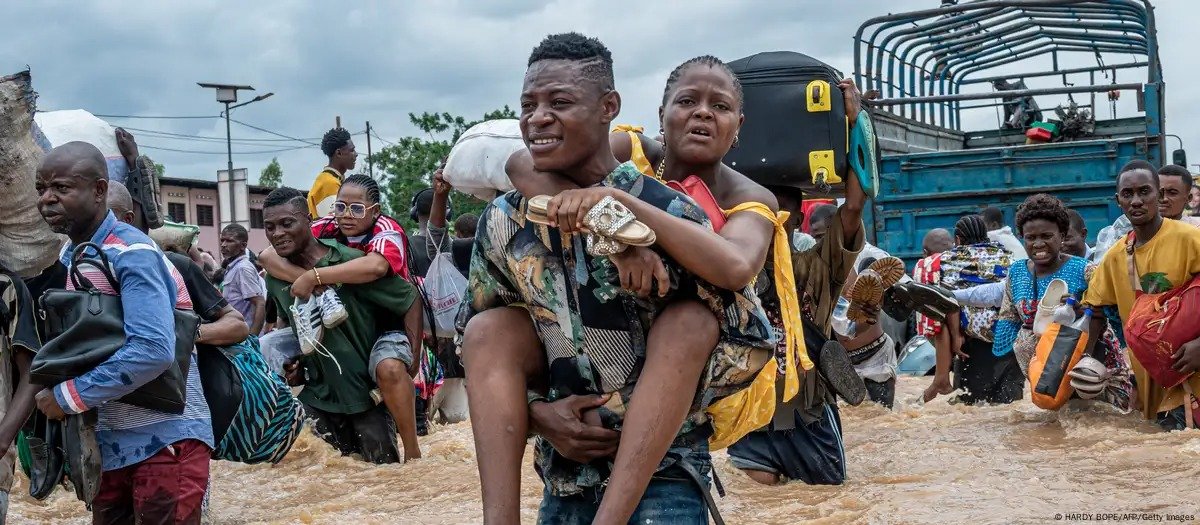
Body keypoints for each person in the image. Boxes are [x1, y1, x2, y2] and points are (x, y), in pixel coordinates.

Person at [465, 34, 766, 524]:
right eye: (529, 105)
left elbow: (745, 335)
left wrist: (623, 212)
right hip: (565, 474)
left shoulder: (675, 213)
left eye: (559, 103)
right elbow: (474, 348)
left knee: (691, 321)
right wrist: (538, 412)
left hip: (663, 477)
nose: (538, 118)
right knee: (488, 328)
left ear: (609, 108)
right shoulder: (506, 218)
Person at [33, 142, 213, 523]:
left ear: (99, 190)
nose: (47, 199)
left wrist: (68, 397)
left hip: (165, 441)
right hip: (112, 442)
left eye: (61, 188)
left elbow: (152, 350)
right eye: (41, 189)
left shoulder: (133, 252)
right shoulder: (70, 258)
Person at [258, 178, 425, 462]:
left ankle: (413, 449)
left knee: (389, 474)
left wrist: (414, 358)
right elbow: (289, 320)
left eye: (287, 224)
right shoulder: (276, 275)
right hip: (316, 399)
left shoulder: (355, 258)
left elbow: (401, 290)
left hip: (364, 395)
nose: (278, 234)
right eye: (270, 227)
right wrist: (295, 365)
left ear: (307, 220)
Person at [1082, 161, 1200, 430]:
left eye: (1144, 192)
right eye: (1128, 194)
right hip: (1151, 386)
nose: (1136, 201)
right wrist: (1085, 361)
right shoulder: (1115, 256)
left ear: (1159, 194)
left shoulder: (1190, 239)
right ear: (1118, 201)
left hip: (1192, 382)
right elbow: (1093, 310)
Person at [990, 194, 1132, 409]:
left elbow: (1112, 313)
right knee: (1060, 422)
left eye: (1047, 236)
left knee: (1102, 418)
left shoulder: (1085, 270)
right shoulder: (1017, 273)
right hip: (1045, 372)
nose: (1038, 244)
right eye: (1030, 237)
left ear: (1062, 236)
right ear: (1022, 238)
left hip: (1089, 368)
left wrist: (1082, 312)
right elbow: (1009, 319)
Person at [919, 215, 1018, 404]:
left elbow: (943, 303)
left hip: (970, 347)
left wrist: (955, 336)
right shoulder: (1009, 257)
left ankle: (941, 379)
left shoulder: (944, 262)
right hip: (1008, 341)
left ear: (958, 240)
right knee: (1011, 407)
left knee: (971, 408)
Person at [833, 264, 898, 408]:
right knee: (879, 415)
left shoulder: (851, 268)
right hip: (855, 355)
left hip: (873, 353)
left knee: (879, 415)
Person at [219, 224, 267, 334]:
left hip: (244, 336)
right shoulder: (233, 267)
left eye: (229, 241)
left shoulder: (243, 268)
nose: (223, 245)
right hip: (235, 333)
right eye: (222, 240)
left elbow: (260, 303)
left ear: (243, 245)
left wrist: (252, 337)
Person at [308, 127, 356, 219]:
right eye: (352, 150)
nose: (356, 154)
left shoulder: (329, 179)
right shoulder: (329, 183)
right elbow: (335, 221)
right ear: (339, 153)